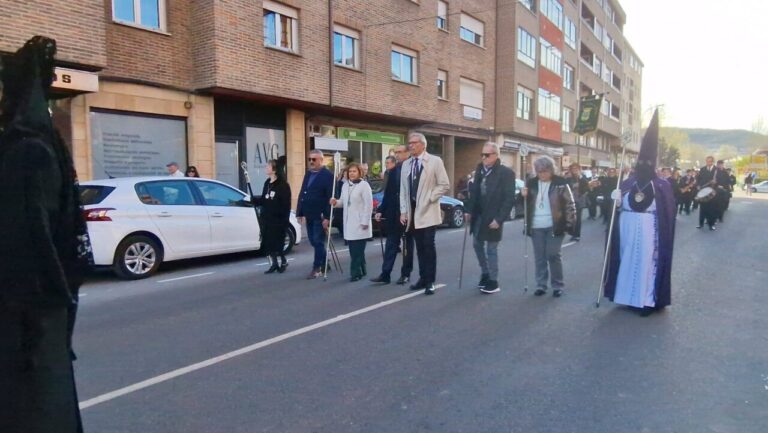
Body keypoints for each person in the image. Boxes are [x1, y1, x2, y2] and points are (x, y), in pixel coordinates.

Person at [0, 36, 91, 433]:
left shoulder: (27, 152)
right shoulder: (38, 146)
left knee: (34, 408)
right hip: (38, 311)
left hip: (26, 316)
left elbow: (31, 238)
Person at [604, 111, 676, 316]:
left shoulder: (661, 185)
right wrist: (616, 201)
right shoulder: (627, 183)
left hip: (649, 230)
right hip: (627, 227)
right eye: (640, 162)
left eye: (647, 163)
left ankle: (646, 300)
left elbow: (667, 213)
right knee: (626, 260)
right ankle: (626, 297)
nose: (643, 166)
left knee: (646, 263)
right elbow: (617, 210)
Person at [399, 132, 450, 295]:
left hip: (428, 210)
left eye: (414, 143)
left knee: (428, 246)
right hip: (413, 212)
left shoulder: (435, 161)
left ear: (423, 145)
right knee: (419, 247)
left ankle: (430, 281)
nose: (411, 145)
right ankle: (422, 278)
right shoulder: (407, 164)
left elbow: (444, 184)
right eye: (409, 143)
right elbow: (403, 190)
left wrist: (430, 197)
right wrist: (403, 211)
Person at [521, 155, 576, 298]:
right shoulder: (531, 183)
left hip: (555, 225)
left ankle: (557, 285)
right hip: (536, 226)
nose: (542, 174)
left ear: (551, 170)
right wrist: (522, 195)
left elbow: (570, 205)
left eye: (545, 171)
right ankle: (541, 285)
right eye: (539, 171)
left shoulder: (560, 183)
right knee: (539, 257)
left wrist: (569, 225)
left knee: (553, 254)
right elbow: (523, 204)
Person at [464, 143, 516, 294]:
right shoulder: (480, 169)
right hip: (479, 215)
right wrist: (469, 210)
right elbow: (474, 193)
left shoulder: (506, 173)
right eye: (482, 155)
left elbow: (509, 199)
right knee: (476, 244)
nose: (483, 158)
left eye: (487, 155)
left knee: (491, 248)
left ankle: (493, 280)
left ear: (495, 156)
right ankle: (485, 273)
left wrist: (499, 219)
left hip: (493, 216)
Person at [371, 147, 413, 285]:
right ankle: (385, 273)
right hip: (392, 214)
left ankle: (405, 274)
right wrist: (380, 210)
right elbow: (388, 194)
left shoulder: (411, 168)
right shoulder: (392, 172)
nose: (397, 155)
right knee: (390, 245)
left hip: (407, 214)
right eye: (396, 153)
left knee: (407, 246)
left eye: (400, 152)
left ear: (407, 153)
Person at [331, 163, 373, 281]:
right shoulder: (345, 186)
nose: (352, 174)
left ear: (360, 172)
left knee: (356, 251)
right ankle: (362, 269)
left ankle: (355, 273)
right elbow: (343, 202)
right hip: (349, 224)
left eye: (354, 171)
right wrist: (335, 202)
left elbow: (368, 205)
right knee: (355, 250)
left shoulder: (364, 186)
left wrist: (365, 221)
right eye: (350, 172)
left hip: (360, 223)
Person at [297, 149, 334, 279]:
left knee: (318, 241)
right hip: (309, 213)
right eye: (310, 159)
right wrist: (299, 212)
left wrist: (328, 217)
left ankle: (317, 267)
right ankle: (325, 262)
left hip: (321, 214)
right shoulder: (308, 174)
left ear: (321, 160)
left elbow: (331, 197)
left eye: (314, 159)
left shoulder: (328, 175)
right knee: (313, 241)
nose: (311, 162)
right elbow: (303, 192)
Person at [253, 159, 291, 274]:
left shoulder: (283, 185)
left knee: (277, 243)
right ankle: (274, 263)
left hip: (278, 219)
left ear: (274, 169)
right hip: (267, 218)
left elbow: (286, 204)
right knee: (269, 243)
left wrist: (285, 219)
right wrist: (254, 200)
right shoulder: (267, 183)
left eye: (268, 166)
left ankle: (283, 261)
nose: (266, 168)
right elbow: (265, 199)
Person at [695, 156, 728, 230]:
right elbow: (698, 179)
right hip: (704, 191)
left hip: (713, 192)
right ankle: (701, 224)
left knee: (712, 209)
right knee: (702, 208)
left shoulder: (717, 170)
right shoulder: (702, 169)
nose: (708, 163)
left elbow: (721, 181)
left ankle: (711, 224)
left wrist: (716, 182)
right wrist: (698, 185)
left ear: (713, 162)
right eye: (707, 161)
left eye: (710, 161)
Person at [565, 162, 590, 241]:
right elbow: (565, 187)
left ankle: (577, 235)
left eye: (576, 169)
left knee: (578, 219)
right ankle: (572, 233)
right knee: (571, 218)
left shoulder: (583, 178)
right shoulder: (568, 178)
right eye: (573, 169)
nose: (574, 170)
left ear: (579, 169)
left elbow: (587, 189)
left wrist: (581, 191)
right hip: (570, 201)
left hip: (579, 201)